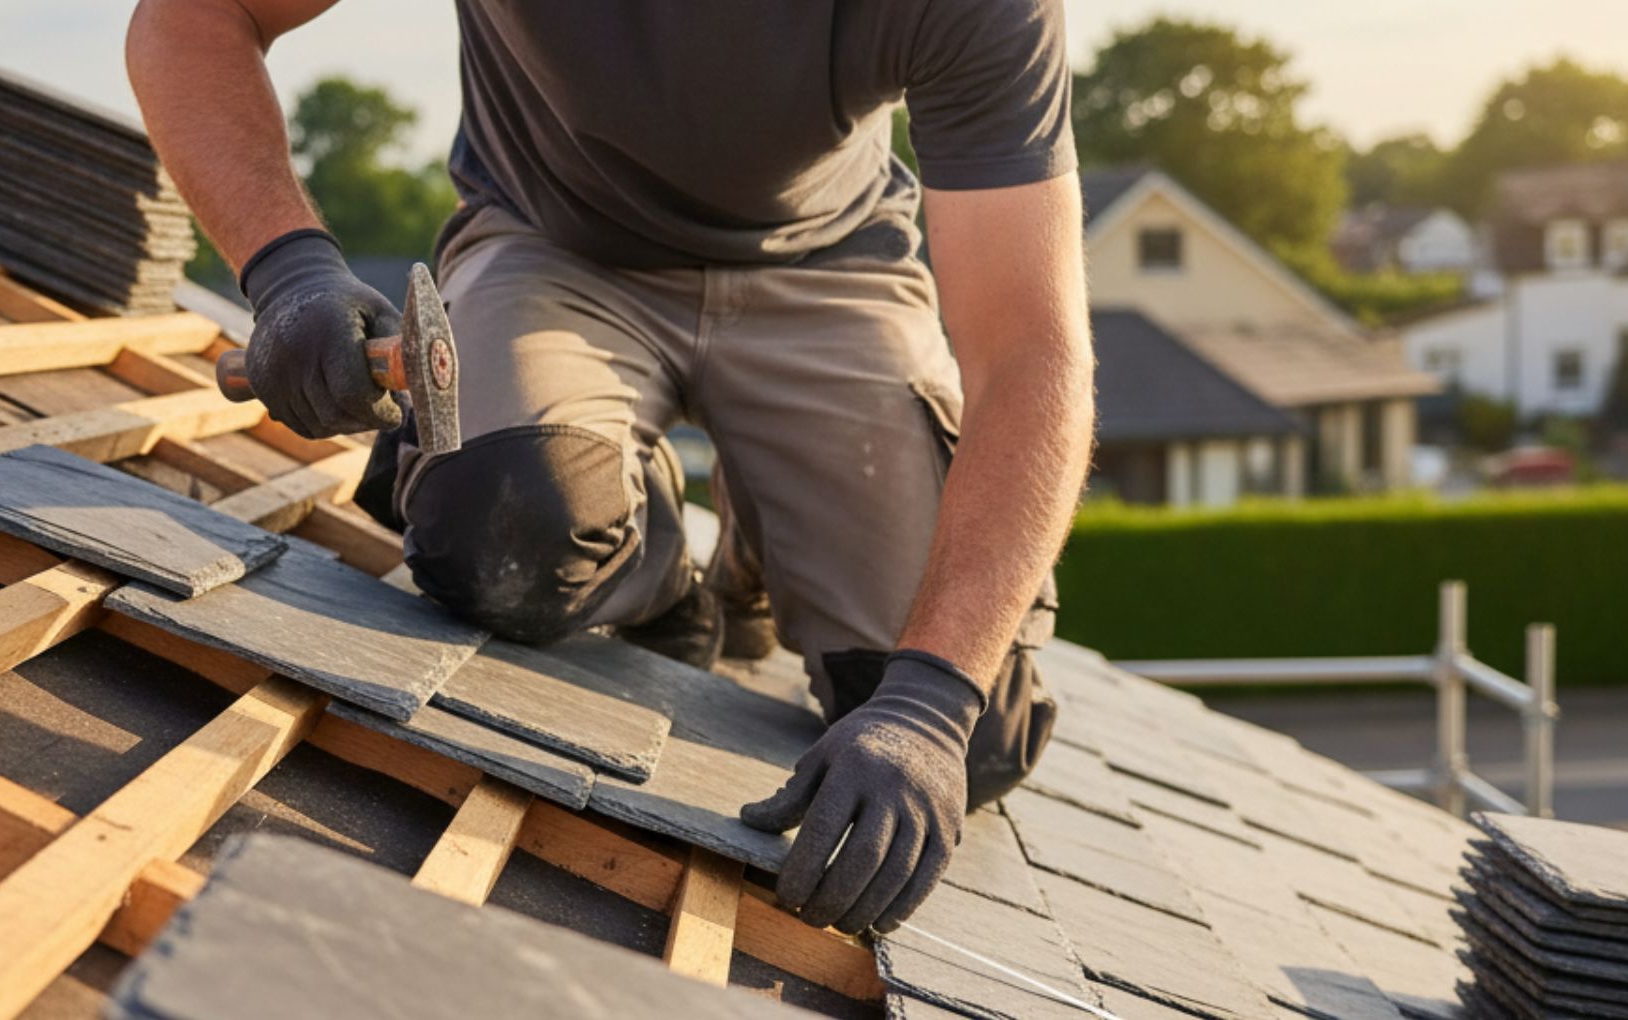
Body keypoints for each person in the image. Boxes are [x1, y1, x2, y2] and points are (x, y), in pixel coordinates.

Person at [128, 0, 1094, 937]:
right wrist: (288, 269)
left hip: (829, 274)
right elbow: (196, 16)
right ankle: (649, 552)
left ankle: (766, 543)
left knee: (979, 732)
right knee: (511, 529)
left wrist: (934, 701)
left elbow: (1030, 354)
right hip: (555, 248)